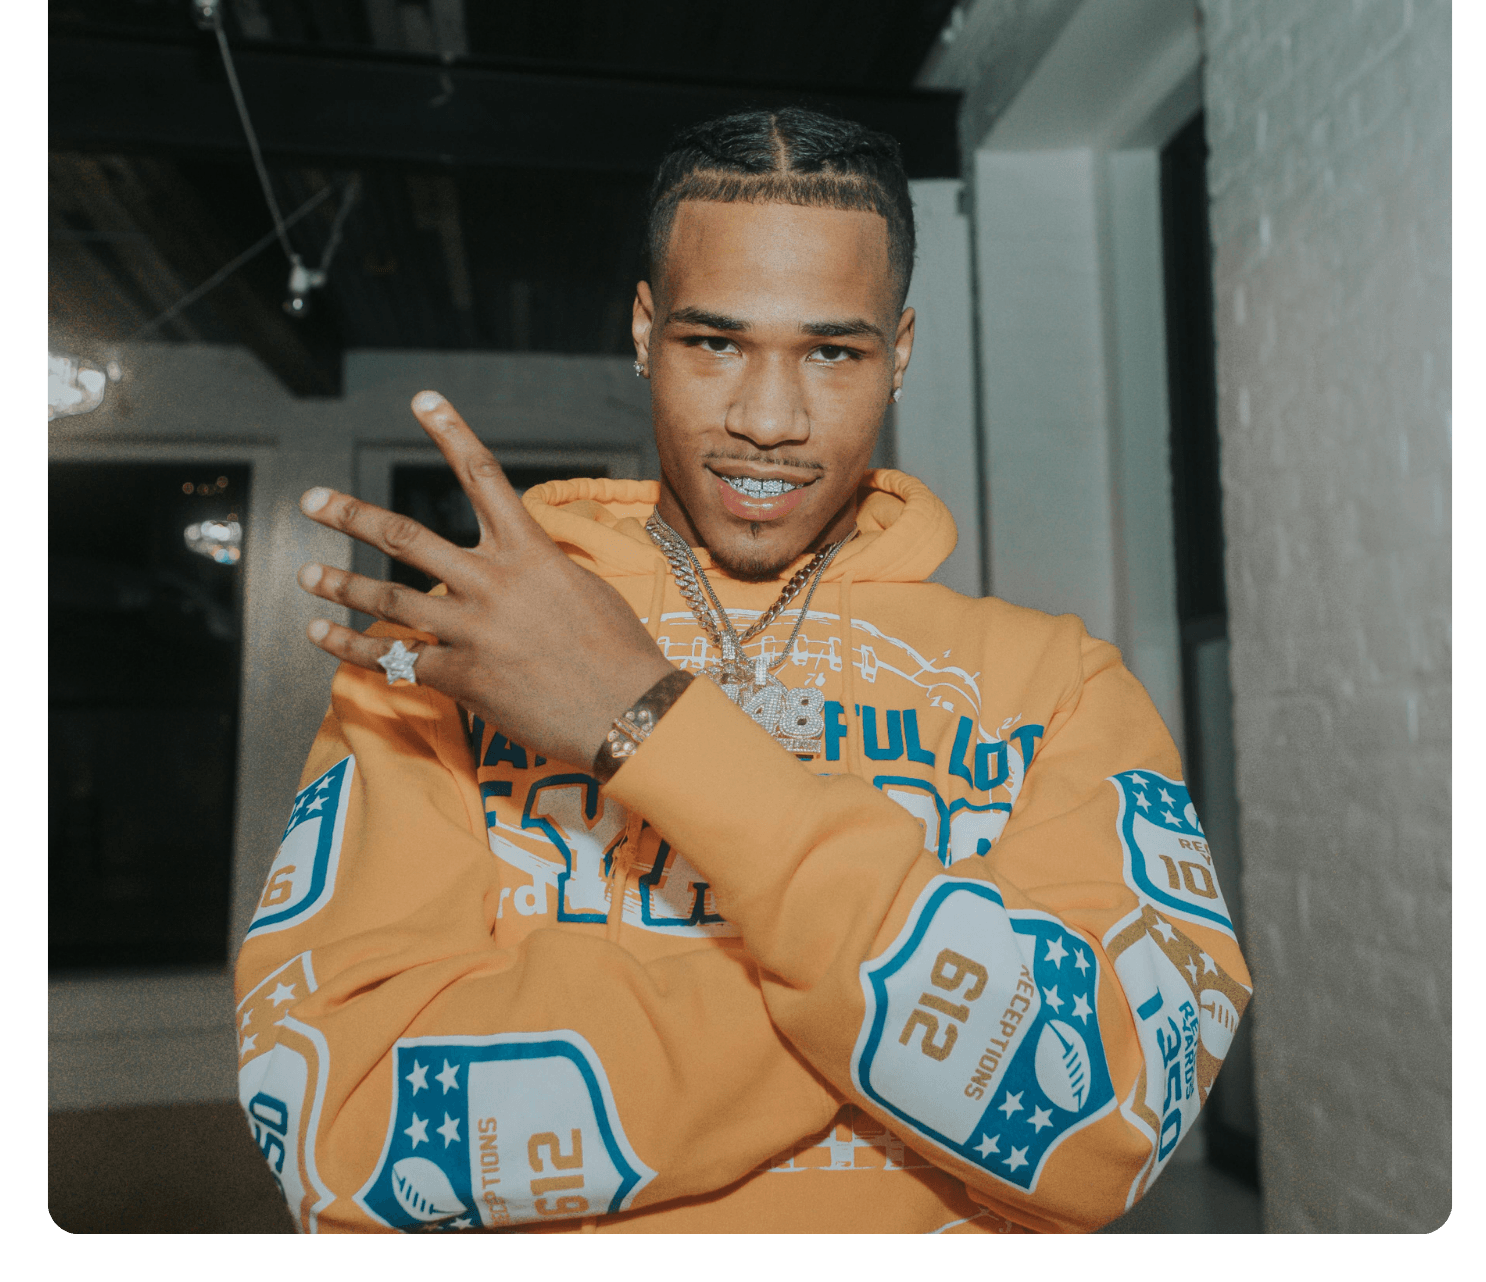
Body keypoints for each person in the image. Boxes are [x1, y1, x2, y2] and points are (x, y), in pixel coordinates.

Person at [234, 108, 1251, 1235]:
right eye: (715, 342)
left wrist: (644, 720)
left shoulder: (1056, 687)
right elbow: (342, 1134)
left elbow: (1101, 1121)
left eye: (833, 351)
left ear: (900, 352)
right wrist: (911, 1008)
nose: (769, 420)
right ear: (643, 330)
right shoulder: (454, 662)